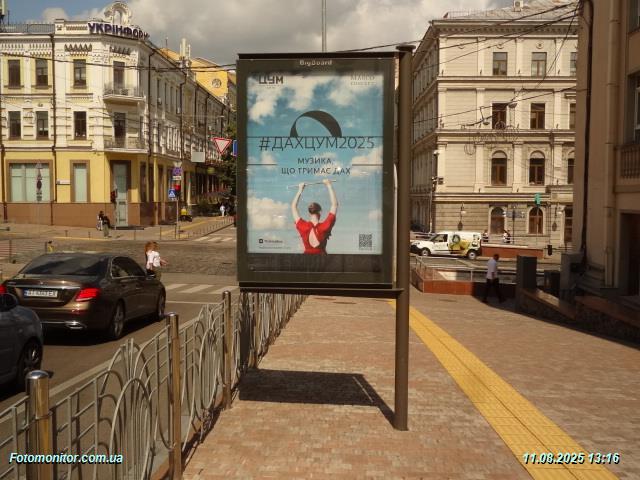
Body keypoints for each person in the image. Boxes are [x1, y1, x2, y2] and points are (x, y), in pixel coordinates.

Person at [291, 179, 338, 255]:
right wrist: (329, 185)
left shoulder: (302, 226)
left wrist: (300, 189)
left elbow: (293, 207)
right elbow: (334, 205)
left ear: (309, 213)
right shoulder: (325, 226)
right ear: (320, 212)